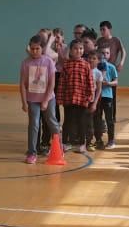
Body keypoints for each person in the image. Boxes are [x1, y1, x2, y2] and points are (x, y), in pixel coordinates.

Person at [20, 34, 60, 165]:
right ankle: (32, 152)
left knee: (52, 122)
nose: (34, 51)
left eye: (37, 48)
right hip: (32, 100)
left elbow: (52, 83)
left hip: (48, 98)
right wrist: (24, 102)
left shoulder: (48, 62)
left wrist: (46, 100)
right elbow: (22, 84)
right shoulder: (26, 63)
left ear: (42, 48)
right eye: (32, 48)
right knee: (34, 124)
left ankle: (58, 148)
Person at [59, 39, 95, 153]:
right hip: (68, 99)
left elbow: (90, 82)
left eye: (81, 48)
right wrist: (60, 98)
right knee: (68, 121)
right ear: (70, 50)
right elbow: (62, 83)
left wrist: (90, 96)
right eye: (75, 48)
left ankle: (82, 144)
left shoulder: (86, 65)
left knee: (81, 122)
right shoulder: (66, 65)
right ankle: (64, 143)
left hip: (82, 99)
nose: (78, 51)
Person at [95, 47, 119, 149]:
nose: (104, 55)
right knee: (97, 119)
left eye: (107, 53)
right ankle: (98, 140)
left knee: (109, 119)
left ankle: (111, 140)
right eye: (102, 53)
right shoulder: (95, 67)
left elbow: (116, 82)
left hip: (107, 96)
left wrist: (108, 83)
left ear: (109, 55)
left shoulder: (111, 67)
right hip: (97, 96)